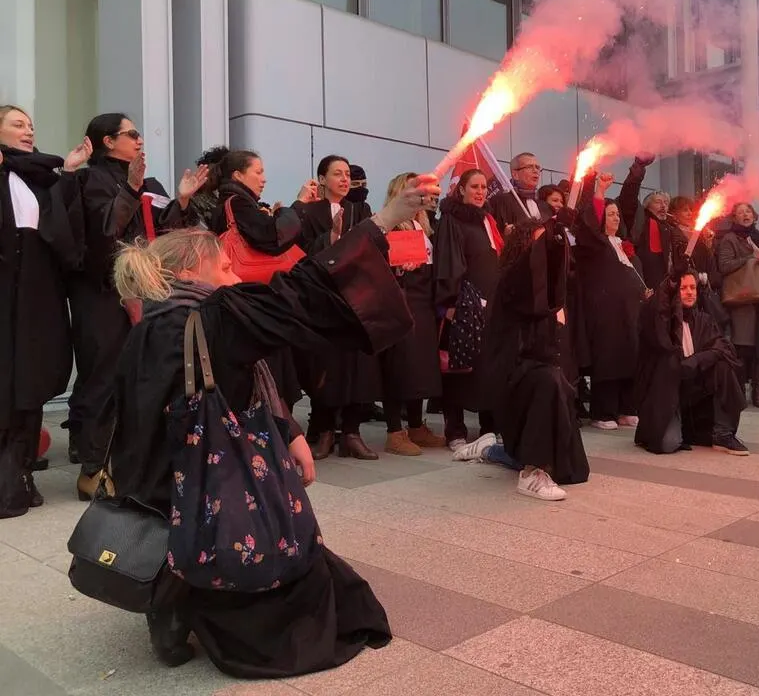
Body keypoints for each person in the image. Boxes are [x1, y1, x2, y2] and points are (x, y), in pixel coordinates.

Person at [105, 173, 440, 675]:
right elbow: (302, 292)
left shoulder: (151, 323)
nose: (235, 274)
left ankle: (170, 605)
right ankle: (208, 610)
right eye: (225, 266)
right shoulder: (217, 317)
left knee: (185, 528)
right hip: (217, 483)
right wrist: (386, 220)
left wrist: (289, 432)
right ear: (191, 271)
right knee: (268, 553)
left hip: (156, 480)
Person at [66, 112, 202, 500]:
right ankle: (92, 469)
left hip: (145, 290)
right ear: (108, 141)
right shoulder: (89, 179)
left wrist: (183, 200)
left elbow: (164, 233)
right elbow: (105, 233)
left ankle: (125, 459)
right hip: (102, 293)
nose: (140, 139)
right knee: (103, 377)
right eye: (132, 133)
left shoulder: (149, 183)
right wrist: (130, 188)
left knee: (141, 374)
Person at [0, 106, 88, 517]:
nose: (28, 130)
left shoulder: (43, 178)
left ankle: (20, 476)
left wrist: (68, 174)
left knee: (31, 382)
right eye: (18, 124)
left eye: (31, 125)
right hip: (6, 297)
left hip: (37, 297)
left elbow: (63, 235)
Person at [482, 213, 590, 499]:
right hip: (514, 375)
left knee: (573, 471)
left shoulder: (550, 291)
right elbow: (526, 274)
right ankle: (531, 472)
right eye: (541, 244)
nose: (548, 250)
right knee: (547, 381)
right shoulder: (512, 280)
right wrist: (553, 226)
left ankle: (492, 450)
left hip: (542, 371)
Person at [292, 155, 379, 459]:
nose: (344, 179)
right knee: (325, 366)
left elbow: (372, 247)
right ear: (322, 178)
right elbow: (300, 252)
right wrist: (331, 238)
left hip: (355, 297)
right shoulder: (310, 211)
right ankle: (325, 430)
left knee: (358, 364)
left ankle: (352, 432)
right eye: (337, 174)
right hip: (323, 298)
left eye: (347, 174)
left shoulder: (360, 209)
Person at [634, 271, 749, 455]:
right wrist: (671, 281)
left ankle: (723, 434)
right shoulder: (662, 322)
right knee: (668, 444)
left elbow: (722, 347)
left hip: (694, 391)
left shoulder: (703, 319)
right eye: (683, 288)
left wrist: (696, 360)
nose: (689, 292)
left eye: (693, 287)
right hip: (667, 393)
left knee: (723, 366)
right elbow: (655, 311)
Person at [376, 173, 445, 454]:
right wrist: (399, 268)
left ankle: (416, 425)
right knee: (398, 366)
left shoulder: (423, 225)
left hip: (422, 300)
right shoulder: (390, 225)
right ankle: (395, 431)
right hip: (401, 300)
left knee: (419, 367)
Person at [434, 169, 502, 447]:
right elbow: (448, 263)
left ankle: (490, 426)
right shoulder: (451, 220)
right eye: (474, 186)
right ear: (461, 189)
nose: (480, 192)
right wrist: (449, 303)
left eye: (484, 187)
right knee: (458, 370)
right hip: (463, 305)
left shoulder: (487, 219)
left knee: (488, 368)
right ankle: (455, 430)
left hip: (490, 305)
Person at [574, 172, 647, 430]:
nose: (615, 217)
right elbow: (588, 226)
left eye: (617, 214)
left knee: (630, 357)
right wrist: (599, 193)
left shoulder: (624, 246)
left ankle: (626, 407)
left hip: (630, 312)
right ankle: (603, 411)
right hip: (605, 313)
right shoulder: (594, 244)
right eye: (610, 213)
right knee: (608, 359)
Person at [716, 202, 759, 408]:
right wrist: (750, 258)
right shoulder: (729, 239)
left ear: (754, 216)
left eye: (748, 211)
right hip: (742, 299)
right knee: (742, 347)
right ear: (734, 218)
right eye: (740, 212)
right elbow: (724, 266)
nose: (745, 215)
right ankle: (738, 391)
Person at [616, 155, 669, 286]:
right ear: (647, 205)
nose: (663, 206)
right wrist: (638, 170)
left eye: (666, 203)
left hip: (668, 286)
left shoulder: (671, 227)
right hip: (643, 283)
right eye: (658, 202)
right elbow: (628, 197)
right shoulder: (640, 219)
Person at [487, 152, 550, 233]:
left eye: (537, 167)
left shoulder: (546, 207)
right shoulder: (500, 202)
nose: (535, 171)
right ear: (515, 174)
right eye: (529, 167)